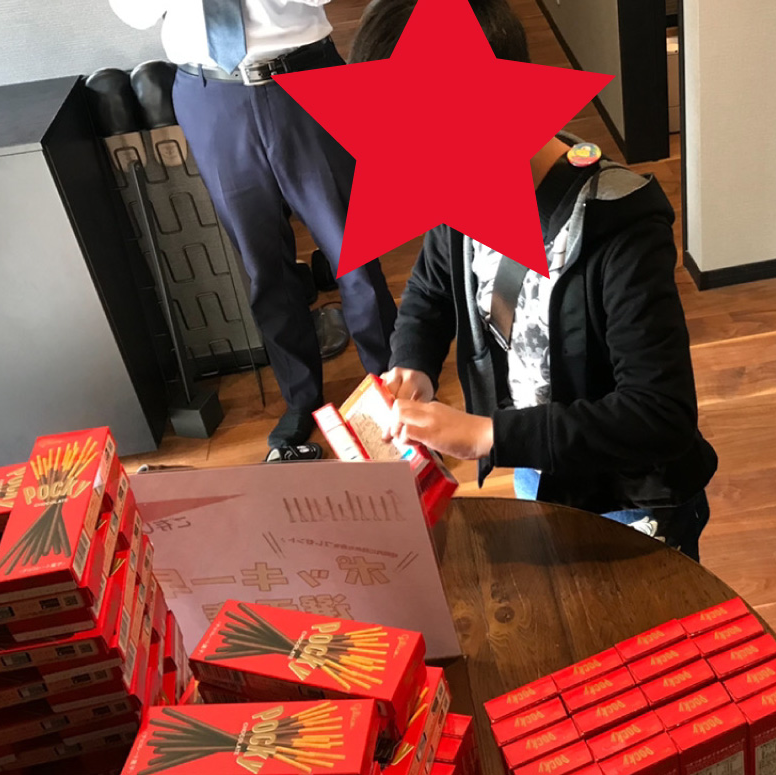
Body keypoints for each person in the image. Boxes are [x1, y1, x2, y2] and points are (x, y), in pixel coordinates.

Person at [351, 0, 718, 560]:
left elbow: (659, 414)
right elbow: (430, 288)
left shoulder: (619, 226)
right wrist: (414, 362)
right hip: (536, 463)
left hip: (631, 498)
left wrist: (485, 435)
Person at [109, 0, 399, 458]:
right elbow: (134, 13)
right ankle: (300, 398)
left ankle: (389, 384)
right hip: (210, 93)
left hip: (306, 75)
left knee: (353, 251)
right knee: (261, 265)